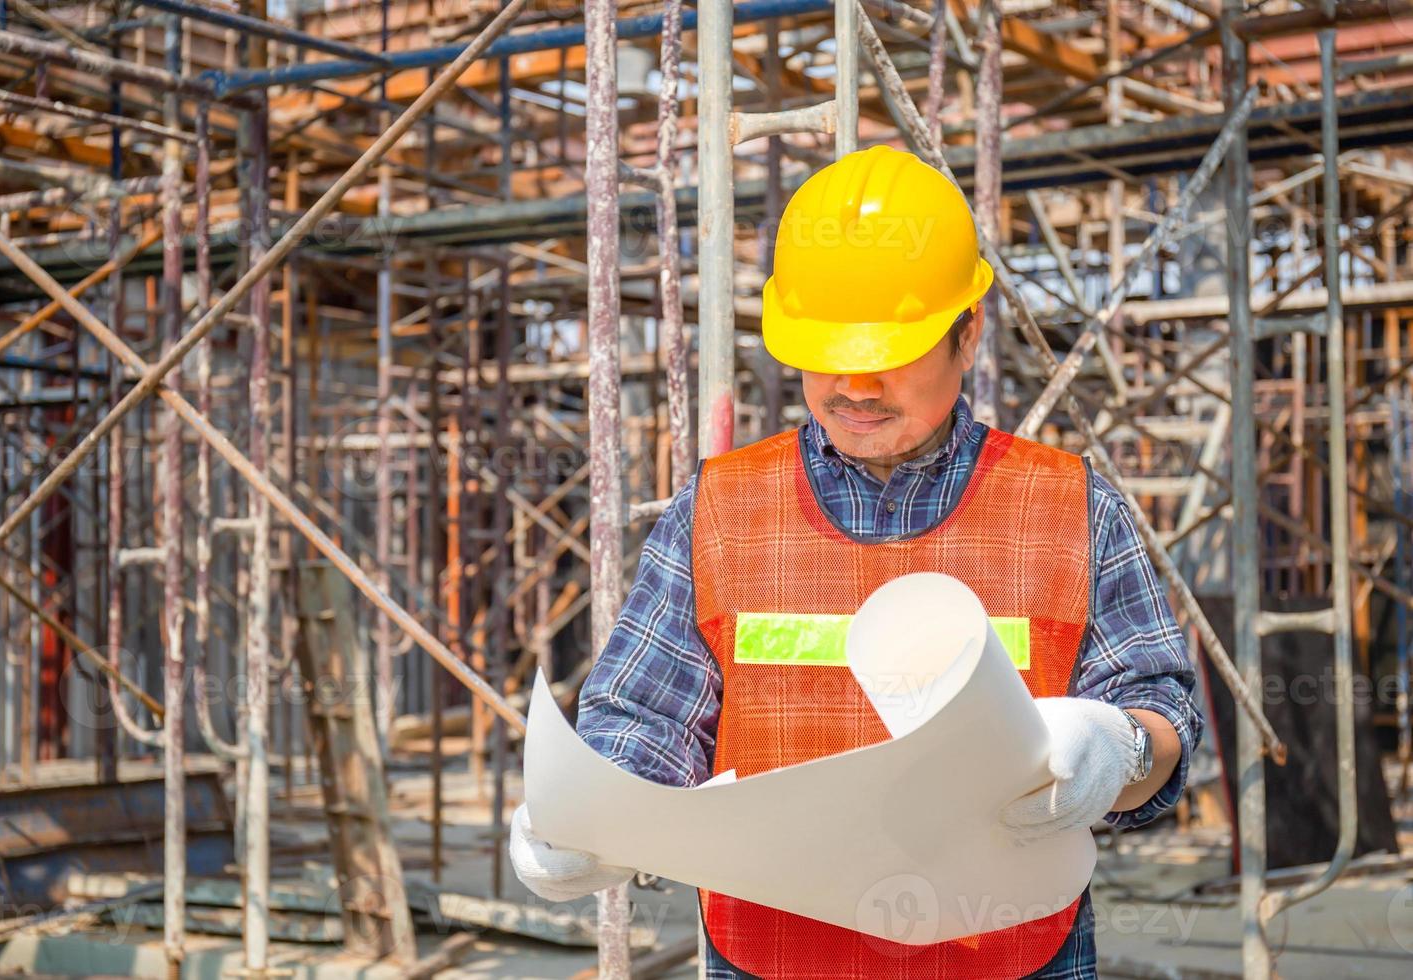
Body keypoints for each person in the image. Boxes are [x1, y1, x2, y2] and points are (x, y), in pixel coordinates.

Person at [510, 145, 1202, 979]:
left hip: (1007, 959)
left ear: (968, 331)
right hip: (772, 957)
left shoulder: (1067, 505)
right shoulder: (723, 509)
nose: (856, 387)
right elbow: (646, 720)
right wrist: (592, 814)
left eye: (891, 352)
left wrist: (1121, 749)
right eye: (829, 352)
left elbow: (1159, 715)